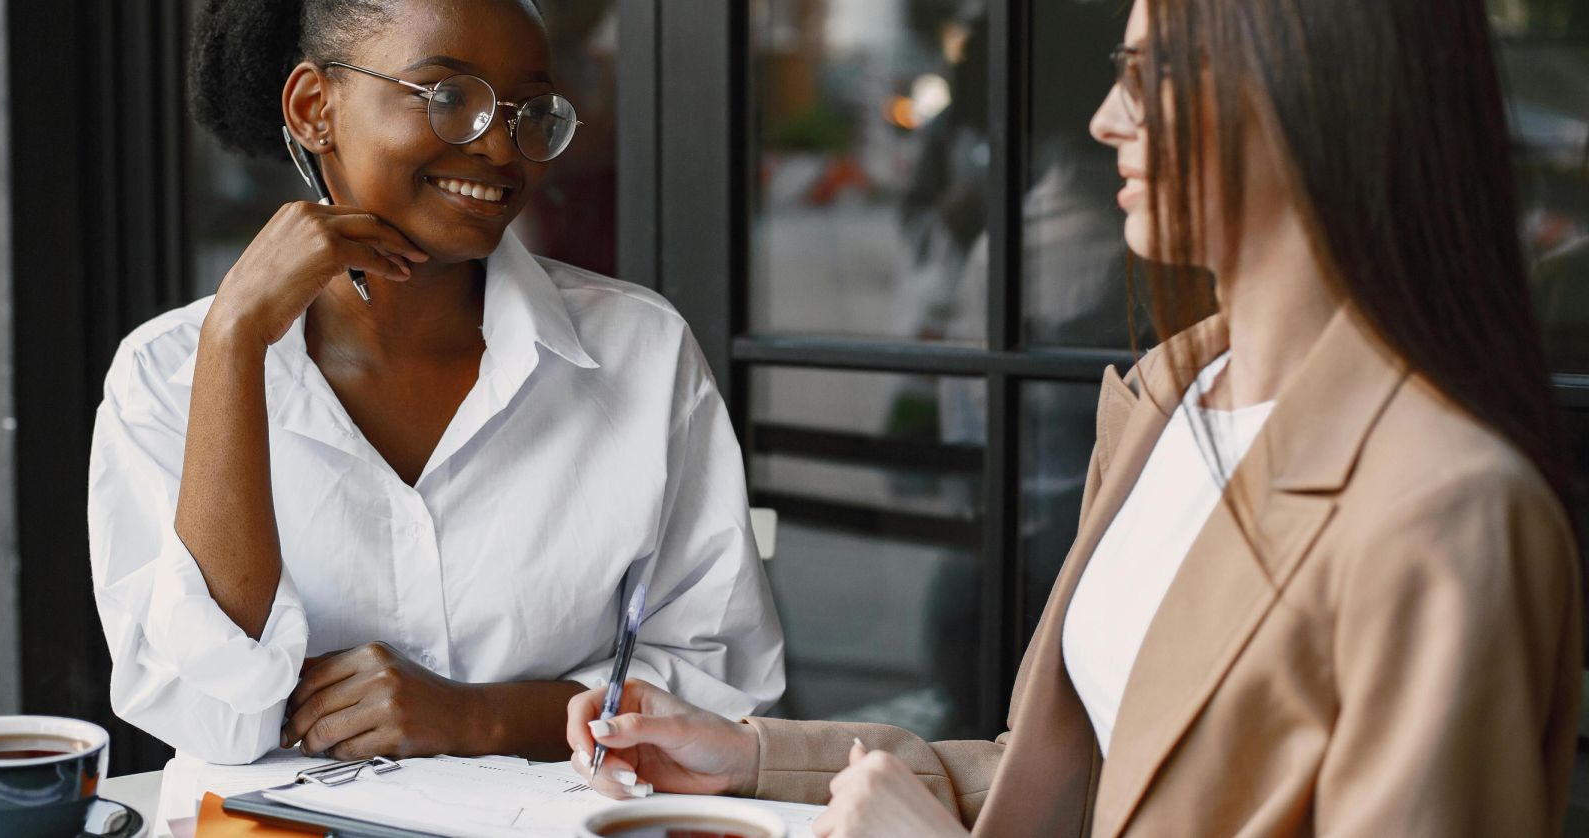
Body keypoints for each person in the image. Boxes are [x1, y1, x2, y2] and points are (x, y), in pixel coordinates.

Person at [566, 0, 1582, 833]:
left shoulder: (1447, 511)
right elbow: (1083, 781)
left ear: (1308, 92)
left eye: (1147, 73)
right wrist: (750, 754)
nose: (1105, 118)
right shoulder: (1166, 402)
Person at [88, 0, 783, 766]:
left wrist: (479, 719)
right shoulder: (165, 374)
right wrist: (235, 342)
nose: (500, 147)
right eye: (450, 98)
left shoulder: (641, 355)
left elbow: (724, 684)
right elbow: (211, 718)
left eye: (530, 112)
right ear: (315, 108)